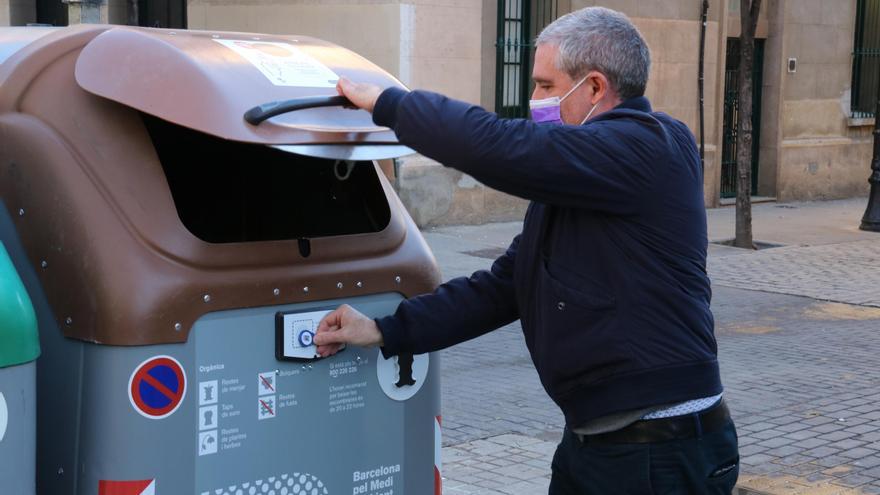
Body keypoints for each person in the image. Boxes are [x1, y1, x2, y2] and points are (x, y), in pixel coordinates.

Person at [314, 6, 739, 494]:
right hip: (595, 444)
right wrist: (383, 331)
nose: (532, 100)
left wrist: (391, 106)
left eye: (544, 85)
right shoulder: (577, 183)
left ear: (596, 88)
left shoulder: (651, 147)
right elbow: (503, 288)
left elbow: (501, 146)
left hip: (661, 453)